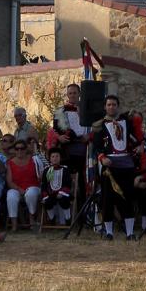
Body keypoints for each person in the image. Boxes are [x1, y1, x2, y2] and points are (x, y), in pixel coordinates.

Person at [93, 94, 141, 240]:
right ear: (105, 107)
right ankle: (109, 233)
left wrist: (140, 146)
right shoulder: (99, 126)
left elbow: (136, 137)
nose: (111, 107)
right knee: (108, 199)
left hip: (126, 164)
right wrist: (102, 158)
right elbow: (97, 147)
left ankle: (130, 233)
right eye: (109, 105)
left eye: (114, 104)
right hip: (109, 166)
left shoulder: (126, 121)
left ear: (117, 106)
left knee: (127, 197)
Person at [52, 83, 92, 214]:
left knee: (83, 182)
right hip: (67, 152)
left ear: (79, 94)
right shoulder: (60, 111)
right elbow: (55, 129)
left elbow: (96, 127)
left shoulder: (87, 109)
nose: (73, 95)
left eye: (75, 93)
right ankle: (66, 214)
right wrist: (59, 138)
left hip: (85, 152)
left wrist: (89, 136)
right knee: (66, 181)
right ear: (67, 95)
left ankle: (84, 213)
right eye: (70, 93)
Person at [6, 139, 41, 231]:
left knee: (31, 193)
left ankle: (31, 219)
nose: (19, 151)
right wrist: (18, 189)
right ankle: (14, 224)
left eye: (22, 148)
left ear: (26, 149)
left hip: (33, 186)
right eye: (17, 149)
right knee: (11, 195)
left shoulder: (34, 159)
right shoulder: (10, 162)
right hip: (17, 187)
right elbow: (9, 181)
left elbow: (40, 175)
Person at [41, 147, 73, 226]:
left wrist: (62, 193)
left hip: (63, 193)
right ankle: (52, 219)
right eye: (53, 157)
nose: (55, 158)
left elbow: (68, 183)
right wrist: (45, 196)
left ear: (60, 158)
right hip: (51, 194)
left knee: (64, 201)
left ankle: (68, 218)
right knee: (47, 202)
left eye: (57, 156)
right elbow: (44, 184)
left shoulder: (65, 170)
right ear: (50, 159)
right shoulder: (47, 170)